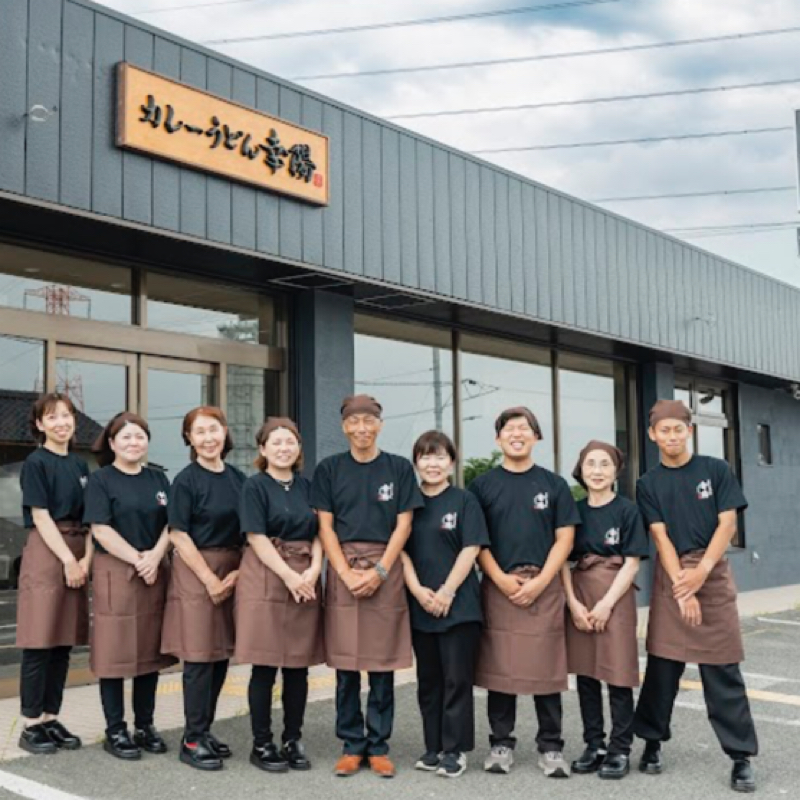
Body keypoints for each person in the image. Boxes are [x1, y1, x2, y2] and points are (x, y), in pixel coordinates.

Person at [633, 399, 757, 793]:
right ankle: (652, 743)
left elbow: (728, 523)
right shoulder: (647, 483)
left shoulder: (715, 470)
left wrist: (700, 573)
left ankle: (740, 757)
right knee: (663, 667)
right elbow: (659, 535)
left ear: (690, 430)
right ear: (652, 435)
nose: (671, 435)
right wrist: (680, 585)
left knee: (722, 669)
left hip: (713, 572)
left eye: (678, 428)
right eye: (663, 430)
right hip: (673, 575)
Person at [311, 394, 423, 779]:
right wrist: (343, 573)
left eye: (368, 420)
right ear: (344, 427)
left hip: (383, 569)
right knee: (345, 665)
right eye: (354, 421)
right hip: (343, 566)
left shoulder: (398, 468)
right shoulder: (328, 469)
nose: (361, 428)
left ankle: (378, 745)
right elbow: (325, 526)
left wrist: (379, 571)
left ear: (380, 424)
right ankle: (350, 744)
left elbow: (404, 525)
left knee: (381, 663)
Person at [470, 406, 579, 778]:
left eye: (525, 428)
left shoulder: (553, 484)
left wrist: (541, 581)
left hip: (543, 586)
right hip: (498, 585)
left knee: (546, 668)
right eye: (509, 428)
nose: (517, 433)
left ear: (537, 437)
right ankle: (501, 743)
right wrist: (498, 577)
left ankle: (551, 747)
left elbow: (565, 537)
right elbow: (476, 539)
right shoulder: (482, 485)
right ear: (498, 438)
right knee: (501, 668)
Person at [84, 412, 176, 760]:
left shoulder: (158, 479)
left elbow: (172, 525)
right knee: (114, 652)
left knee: (148, 654)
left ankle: (145, 725)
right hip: (117, 570)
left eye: (139, 437)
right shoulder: (102, 480)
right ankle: (115, 729)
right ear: (111, 443)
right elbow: (100, 529)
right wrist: (139, 560)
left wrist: (154, 556)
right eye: (125, 437)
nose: (133, 443)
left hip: (154, 570)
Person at [235, 417, 324, 773]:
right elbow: (255, 537)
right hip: (268, 576)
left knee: (298, 666)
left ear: (299, 448)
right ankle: (262, 742)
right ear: (262, 449)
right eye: (276, 442)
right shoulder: (254, 487)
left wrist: (315, 570)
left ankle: (292, 738)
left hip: (305, 574)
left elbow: (321, 532)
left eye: (290, 442)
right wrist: (289, 575)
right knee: (265, 663)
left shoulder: (308, 487)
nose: (284, 448)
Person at [161, 407, 245, 771]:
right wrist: (210, 579)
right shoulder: (185, 480)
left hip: (234, 567)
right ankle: (191, 739)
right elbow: (178, 533)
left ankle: (204, 729)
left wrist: (237, 574)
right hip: (196, 569)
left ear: (225, 433)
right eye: (200, 432)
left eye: (214, 429)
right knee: (198, 657)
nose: (209, 438)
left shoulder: (240, 478)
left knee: (221, 653)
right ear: (189, 439)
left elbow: (251, 531)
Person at [401, 431, 489, 779]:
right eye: (425, 457)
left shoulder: (464, 501)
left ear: (451, 462)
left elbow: (472, 548)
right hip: (420, 603)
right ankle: (432, 747)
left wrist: (447, 591)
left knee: (457, 679)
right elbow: (401, 552)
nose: (432, 464)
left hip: (460, 606)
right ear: (416, 463)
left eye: (439, 457)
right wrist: (419, 591)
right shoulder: (409, 504)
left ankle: (454, 750)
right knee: (429, 681)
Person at [562, 440, 648, 780]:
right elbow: (562, 562)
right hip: (580, 595)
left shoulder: (627, 510)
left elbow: (631, 564)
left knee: (617, 674)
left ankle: (619, 749)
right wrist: (573, 604)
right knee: (585, 674)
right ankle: (593, 744)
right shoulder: (573, 511)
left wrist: (605, 605)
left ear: (616, 470)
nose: (597, 471)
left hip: (615, 598)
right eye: (590, 464)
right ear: (581, 470)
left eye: (604, 464)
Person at [16, 393, 92, 754]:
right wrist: (67, 560)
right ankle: (30, 723)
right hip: (49, 552)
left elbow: (92, 518)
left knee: (63, 641)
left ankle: (50, 715)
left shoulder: (79, 466)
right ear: (40, 424)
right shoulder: (36, 462)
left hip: (77, 549)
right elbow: (41, 516)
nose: (61, 422)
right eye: (53, 417)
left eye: (67, 415)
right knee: (39, 640)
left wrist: (85, 560)